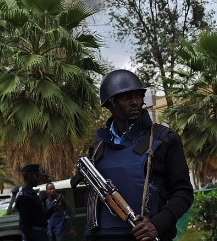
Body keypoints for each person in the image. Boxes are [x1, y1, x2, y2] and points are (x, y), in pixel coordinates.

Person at [77, 69, 194, 241]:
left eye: (138, 96)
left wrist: (157, 225)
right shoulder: (98, 148)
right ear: (110, 104)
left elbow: (184, 192)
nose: (135, 102)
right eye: (126, 97)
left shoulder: (164, 139)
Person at [15, 164, 55, 241]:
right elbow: (25, 225)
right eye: (37, 176)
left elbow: (42, 217)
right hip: (35, 236)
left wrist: (53, 208)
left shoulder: (32, 194)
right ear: (30, 176)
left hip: (41, 234)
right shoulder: (24, 196)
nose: (39, 178)